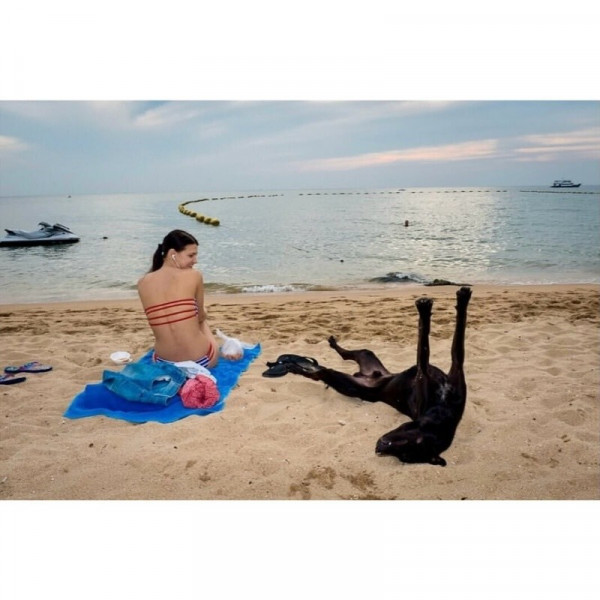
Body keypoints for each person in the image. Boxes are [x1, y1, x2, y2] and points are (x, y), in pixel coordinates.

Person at [137, 229, 220, 368]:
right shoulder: (194, 275)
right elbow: (200, 317)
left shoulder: (142, 283)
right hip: (202, 361)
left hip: (163, 363)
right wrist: (201, 313)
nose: (195, 260)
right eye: (191, 255)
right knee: (201, 315)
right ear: (172, 254)